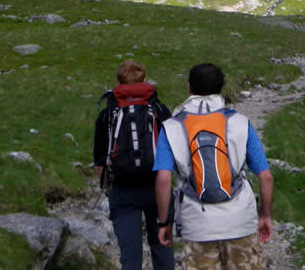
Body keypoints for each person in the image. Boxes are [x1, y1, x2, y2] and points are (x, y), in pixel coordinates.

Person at [154, 62, 273, 270]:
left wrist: (164, 222)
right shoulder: (240, 122)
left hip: (198, 224)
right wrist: (265, 215)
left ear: (189, 87)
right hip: (240, 221)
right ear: (221, 88)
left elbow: (163, 179)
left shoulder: (172, 127)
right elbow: (266, 176)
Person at [94, 59, 175, 270]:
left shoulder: (107, 114)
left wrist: (108, 188)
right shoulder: (159, 109)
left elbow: (100, 162)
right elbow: (172, 151)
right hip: (157, 188)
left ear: (118, 83)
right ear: (145, 80)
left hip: (123, 190)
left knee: (130, 257)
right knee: (163, 247)